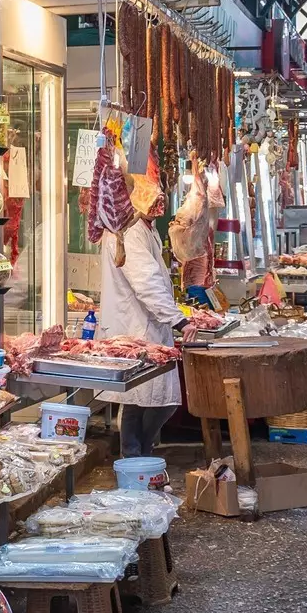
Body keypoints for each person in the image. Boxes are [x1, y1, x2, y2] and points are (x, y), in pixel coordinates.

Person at [98, 175, 190, 456]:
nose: (159, 201)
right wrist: (178, 319)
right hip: (135, 327)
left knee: (153, 399)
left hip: (146, 324)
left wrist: (173, 315)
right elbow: (146, 281)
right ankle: (134, 458)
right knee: (140, 399)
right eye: (152, 196)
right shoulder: (128, 230)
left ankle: (140, 454)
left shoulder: (144, 228)